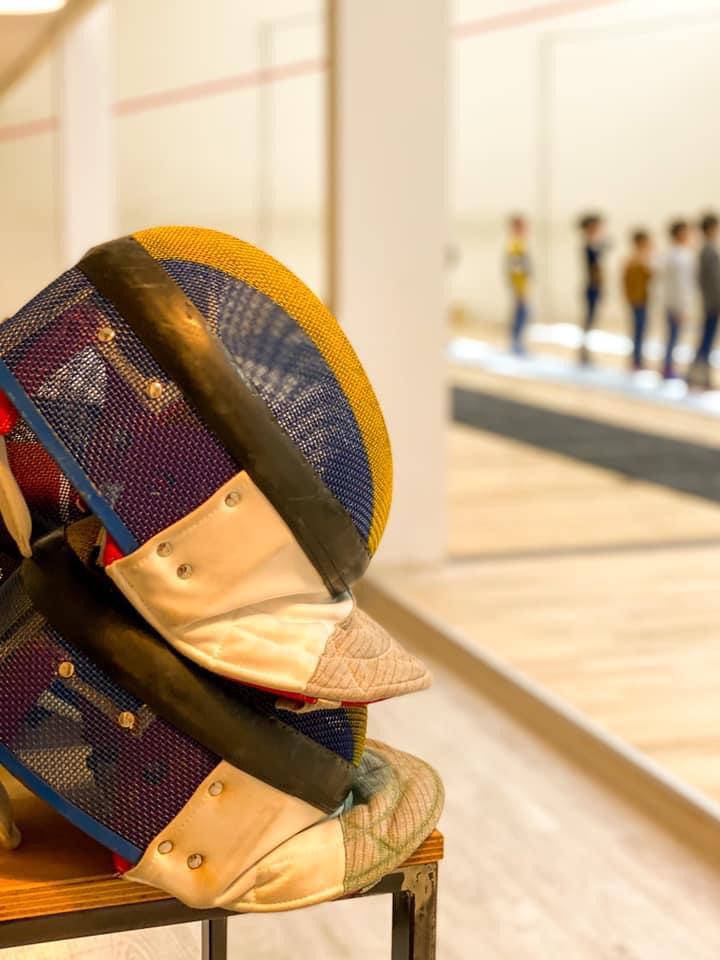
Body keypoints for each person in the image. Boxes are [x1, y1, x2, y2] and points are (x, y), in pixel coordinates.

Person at [688, 212, 720, 389]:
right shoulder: (708, 251)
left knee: (706, 339)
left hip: (711, 301)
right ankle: (700, 376)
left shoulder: (707, 250)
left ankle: (696, 374)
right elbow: (712, 281)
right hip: (712, 303)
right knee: (706, 340)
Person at [662, 220, 694, 380]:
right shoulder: (676, 256)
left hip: (678, 301)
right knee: (672, 336)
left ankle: (669, 366)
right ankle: (668, 367)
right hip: (675, 303)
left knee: (675, 336)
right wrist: (679, 307)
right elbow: (677, 285)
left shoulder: (682, 253)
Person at [622, 230, 653, 371]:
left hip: (642, 299)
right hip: (637, 300)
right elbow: (627, 282)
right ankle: (636, 359)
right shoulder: (634, 260)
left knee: (641, 329)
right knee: (638, 329)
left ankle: (637, 358)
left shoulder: (641, 259)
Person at [578, 213, 607, 365]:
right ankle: (584, 350)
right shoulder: (589, 245)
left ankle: (585, 350)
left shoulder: (595, 245)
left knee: (591, 319)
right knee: (589, 319)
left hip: (595, 285)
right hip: (592, 285)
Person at [505, 214, 531, 355]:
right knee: (520, 314)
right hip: (520, 286)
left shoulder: (519, 244)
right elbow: (516, 270)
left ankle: (517, 342)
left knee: (522, 313)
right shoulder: (515, 246)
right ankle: (516, 343)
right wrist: (519, 288)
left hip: (522, 285)